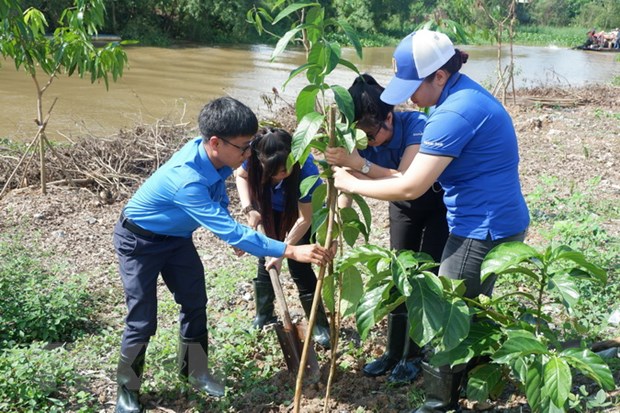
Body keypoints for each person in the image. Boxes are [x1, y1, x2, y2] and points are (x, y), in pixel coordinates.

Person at [332, 30, 530, 412]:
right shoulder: (461, 96)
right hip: (495, 219)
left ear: (439, 75)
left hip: (481, 226)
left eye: (413, 86)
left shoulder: (453, 113)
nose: (408, 97)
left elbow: (411, 187)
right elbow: (409, 177)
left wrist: (350, 181)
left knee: (446, 311)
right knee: (472, 305)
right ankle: (478, 379)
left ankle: (439, 404)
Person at [112, 97, 332, 413]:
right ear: (216, 142)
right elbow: (229, 231)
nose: (248, 156)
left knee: (194, 302)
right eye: (244, 148)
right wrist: (290, 249)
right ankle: (127, 391)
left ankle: (195, 371)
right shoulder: (185, 179)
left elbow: (219, 202)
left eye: (250, 146)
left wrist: (237, 215)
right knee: (142, 320)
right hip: (139, 242)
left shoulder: (214, 158)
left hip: (176, 240)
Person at [324, 74, 448, 384]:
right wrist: (339, 230)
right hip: (401, 206)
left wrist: (359, 165)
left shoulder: (417, 125)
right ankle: (394, 352)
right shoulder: (356, 140)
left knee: (425, 278)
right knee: (399, 275)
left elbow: (406, 179)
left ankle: (414, 354)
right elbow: (347, 187)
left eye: (370, 134)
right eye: (358, 135)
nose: (365, 141)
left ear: (389, 118)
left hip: (435, 206)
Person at [235, 127, 331, 348]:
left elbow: (304, 219)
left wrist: (283, 250)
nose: (281, 175)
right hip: (269, 208)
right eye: (275, 172)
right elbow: (240, 176)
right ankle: (264, 315)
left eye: (285, 170)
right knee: (265, 259)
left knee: (300, 266)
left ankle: (319, 324)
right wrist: (249, 208)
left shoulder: (306, 169)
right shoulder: (253, 157)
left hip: (301, 212)